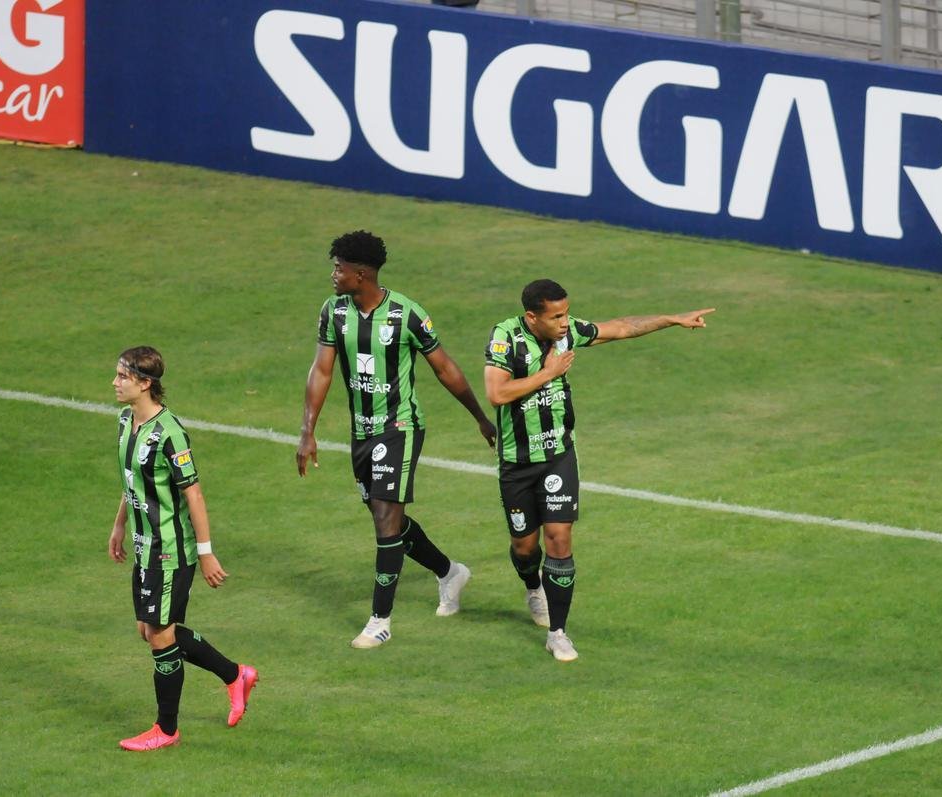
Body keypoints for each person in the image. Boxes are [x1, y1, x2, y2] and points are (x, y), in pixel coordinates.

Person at [483, 279, 714, 662]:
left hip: (558, 454)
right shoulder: (505, 338)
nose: (564, 322)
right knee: (525, 547)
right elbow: (496, 394)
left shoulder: (567, 333)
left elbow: (621, 327)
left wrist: (672, 319)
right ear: (532, 317)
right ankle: (532, 587)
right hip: (517, 461)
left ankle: (558, 633)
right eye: (556, 316)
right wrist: (549, 373)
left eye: (566, 314)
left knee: (559, 539)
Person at [296, 230, 496, 649]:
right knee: (389, 521)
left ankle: (379, 620)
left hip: (400, 427)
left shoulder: (406, 314)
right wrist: (307, 430)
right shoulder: (334, 311)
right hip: (361, 432)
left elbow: (445, 369)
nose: (334, 274)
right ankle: (450, 572)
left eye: (340, 268)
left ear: (361, 274)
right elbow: (322, 370)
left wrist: (480, 417)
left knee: (387, 518)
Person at [109, 346, 257, 751]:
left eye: (122, 376)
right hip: (143, 545)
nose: (115, 383)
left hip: (170, 550)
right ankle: (236, 675)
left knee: (160, 635)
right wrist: (119, 524)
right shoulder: (125, 421)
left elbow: (194, 494)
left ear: (145, 383)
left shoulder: (171, 434)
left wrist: (206, 552)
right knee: (149, 630)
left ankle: (167, 729)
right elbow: (131, 480)